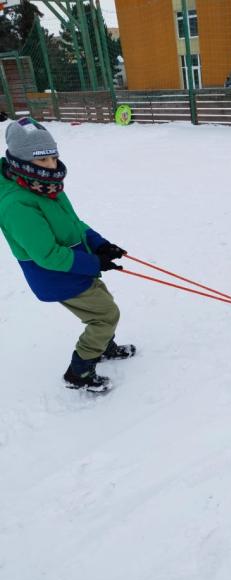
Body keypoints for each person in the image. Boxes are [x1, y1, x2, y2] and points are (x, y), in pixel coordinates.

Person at [0, 117, 135, 392]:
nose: (51, 165)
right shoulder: (17, 204)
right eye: (42, 160)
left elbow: (74, 224)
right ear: (20, 161)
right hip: (57, 275)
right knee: (105, 315)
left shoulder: (44, 185)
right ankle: (79, 371)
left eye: (53, 157)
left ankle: (102, 345)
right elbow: (48, 254)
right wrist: (94, 262)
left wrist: (100, 245)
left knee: (103, 306)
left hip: (76, 265)